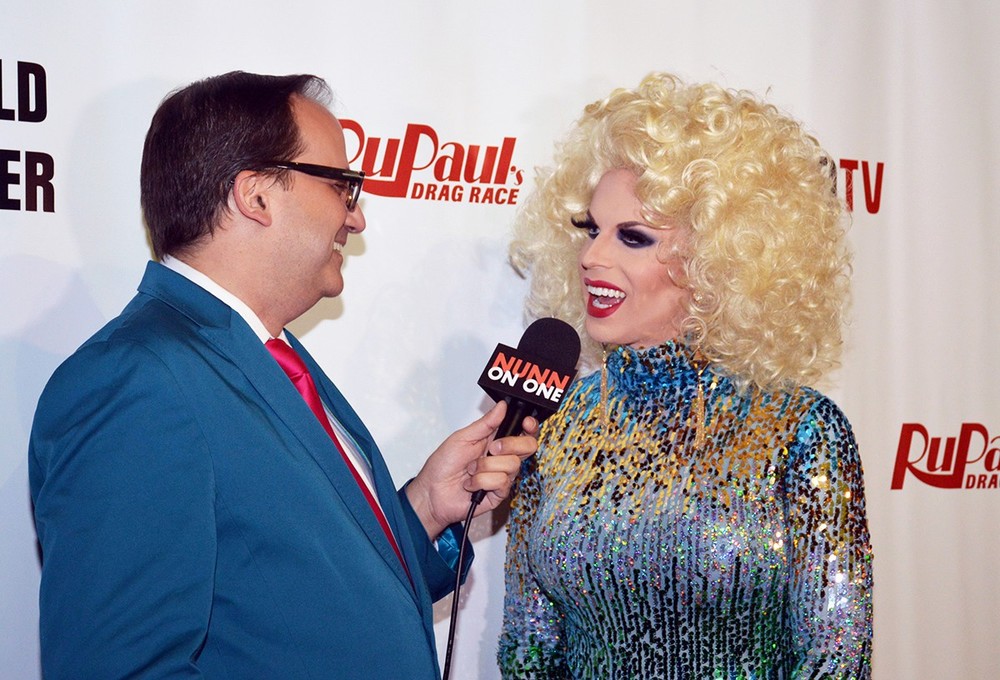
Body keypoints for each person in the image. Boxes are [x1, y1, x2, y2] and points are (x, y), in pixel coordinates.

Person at [29, 71, 537, 679]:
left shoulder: (267, 354)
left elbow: (298, 599)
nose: (356, 218)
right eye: (342, 186)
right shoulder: (137, 382)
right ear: (256, 196)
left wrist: (427, 507)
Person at [498, 72, 873, 678]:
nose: (592, 256)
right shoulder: (555, 422)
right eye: (592, 230)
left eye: (633, 237)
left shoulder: (801, 431)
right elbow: (528, 649)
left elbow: (835, 658)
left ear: (718, 260)